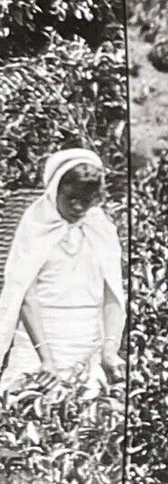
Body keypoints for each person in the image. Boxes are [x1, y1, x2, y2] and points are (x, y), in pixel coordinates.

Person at [0, 148, 125, 394]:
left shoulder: (101, 228)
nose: (78, 207)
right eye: (71, 198)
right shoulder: (36, 225)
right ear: (55, 189)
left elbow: (113, 295)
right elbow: (26, 295)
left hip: (86, 345)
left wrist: (109, 349)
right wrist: (46, 359)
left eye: (87, 200)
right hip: (38, 345)